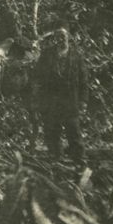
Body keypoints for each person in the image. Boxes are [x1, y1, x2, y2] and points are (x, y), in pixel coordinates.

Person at [34, 27, 88, 160]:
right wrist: (38, 95)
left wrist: (83, 101)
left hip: (70, 99)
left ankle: (79, 159)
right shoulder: (47, 54)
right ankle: (56, 157)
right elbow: (37, 75)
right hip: (52, 99)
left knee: (73, 129)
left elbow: (84, 80)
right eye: (58, 37)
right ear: (54, 39)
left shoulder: (77, 56)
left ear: (68, 38)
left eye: (63, 36)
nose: (61, 39)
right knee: (52, 129)